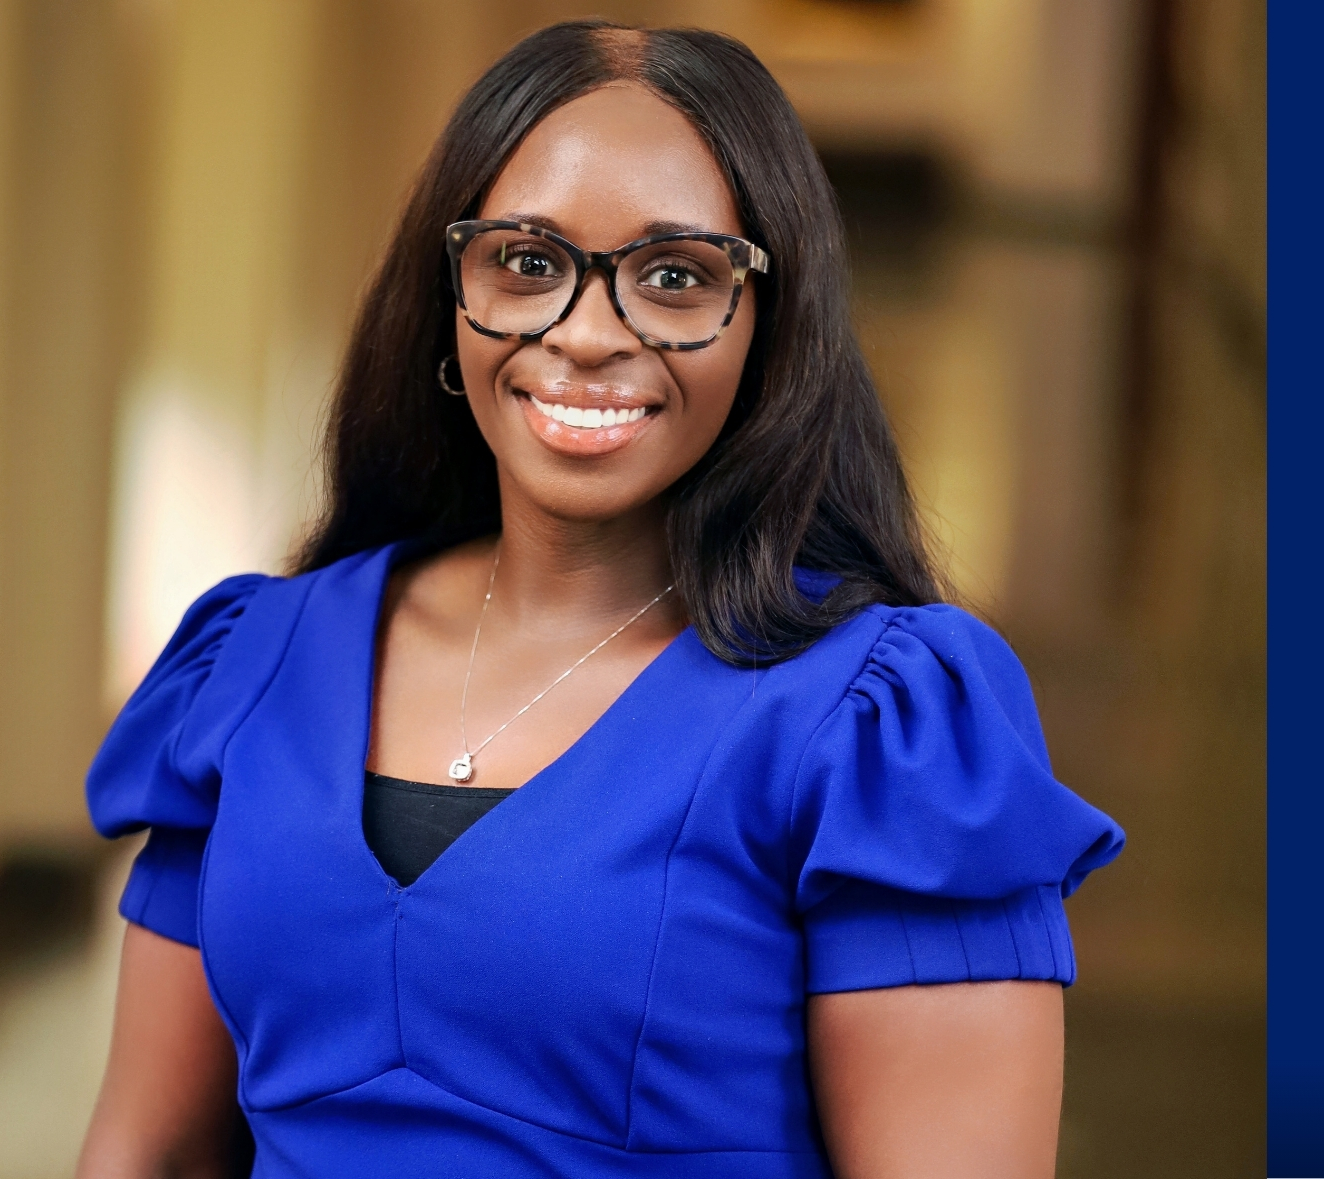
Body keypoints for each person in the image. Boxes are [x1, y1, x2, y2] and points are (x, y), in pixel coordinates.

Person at [76, 20, 1123, 1179]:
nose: (584, 334)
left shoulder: (881, 735)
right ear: (449, 292)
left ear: (770, 325)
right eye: (527, 263)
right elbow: (146, 1154)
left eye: (675, 278)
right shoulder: (255, 663)